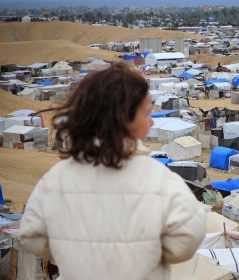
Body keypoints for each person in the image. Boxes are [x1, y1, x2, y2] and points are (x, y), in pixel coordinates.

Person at [19, 62, 206, 280]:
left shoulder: (56, 179)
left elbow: (32, 235)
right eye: (146, 113)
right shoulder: (159, 180)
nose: (152, 120)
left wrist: (72, 250)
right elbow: (188, 239)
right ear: (124, 118)